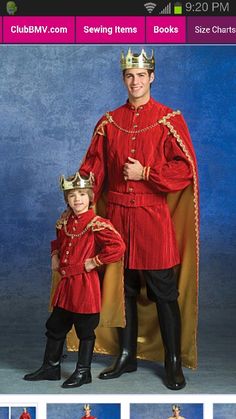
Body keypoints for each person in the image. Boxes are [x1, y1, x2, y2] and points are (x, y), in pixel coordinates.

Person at [78, 47, 199, 390]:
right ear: (123, 79)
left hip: (152, 218)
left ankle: (172, 362)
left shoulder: (167, 119)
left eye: (141, 76)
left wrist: (146, 172)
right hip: (116, 217)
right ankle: (127, 355)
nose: (135, 81)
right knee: (123, 289)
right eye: (129, 76)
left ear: (152, 78)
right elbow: (94, 168)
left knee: (164, 291)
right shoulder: (109, 122)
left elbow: (183, 170)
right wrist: (78, 197)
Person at [23, 171, 125, 388]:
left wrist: (95, 261)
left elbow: (118, 247)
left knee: (85, 329)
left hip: (85, 286)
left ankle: (83, 372)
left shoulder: (97, 224)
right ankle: (50, 367)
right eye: (72, 196)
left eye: (81, 194)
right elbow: (58, 241)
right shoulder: (65, 221)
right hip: (66, 285)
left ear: (90, 197)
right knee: (55, 326)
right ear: (67, 199)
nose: (77, 199)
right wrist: (54, 255)